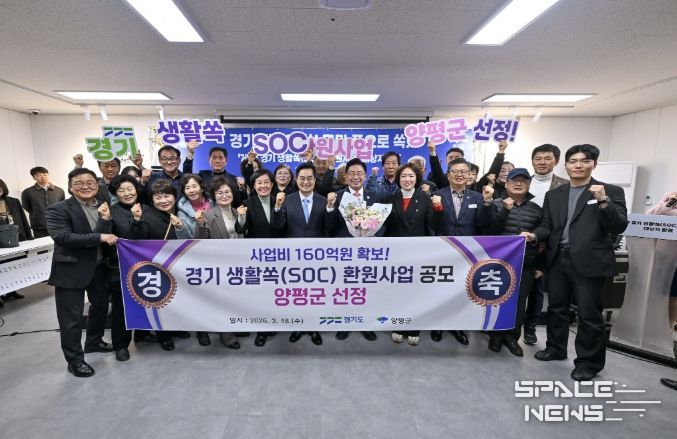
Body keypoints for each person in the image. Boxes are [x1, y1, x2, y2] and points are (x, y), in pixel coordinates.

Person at [528, 144, 628, 381]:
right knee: (557, 308)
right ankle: (555, 348)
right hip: (557, 259)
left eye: (585, 161)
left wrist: (603, 201)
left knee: (589, 314)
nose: (578, 165)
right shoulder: (555, 194)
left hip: (590, 261)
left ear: (594, 164)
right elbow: (547, 225)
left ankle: (588, 363)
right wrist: (534, 235)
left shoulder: (610, 191)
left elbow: (619, 225)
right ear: (566, 165)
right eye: (573, 161)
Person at [45, 168, 118, 377]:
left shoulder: (103, 206)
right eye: (78, 183)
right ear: (70, 187)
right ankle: (75, 360)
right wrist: (100, 237)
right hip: (71, 269)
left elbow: (105, 233)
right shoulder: (58, 209)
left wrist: (106, 221)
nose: (85, 186)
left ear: (97, 185)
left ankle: (94, 341)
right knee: (71, 318)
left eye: (90, 182)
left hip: (98, 268)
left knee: (101, 306)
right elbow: (63, 237)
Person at [430, 158, 494, 345]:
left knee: (461, 290)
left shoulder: (477, 197)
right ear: (448, 175)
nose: (459, 175)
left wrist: (488, 202)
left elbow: (483, 223)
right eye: (455, 171)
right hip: (442, 250)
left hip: (467, 252)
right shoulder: (438, 194)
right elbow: (431, 225)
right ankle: (437, 325)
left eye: (464, 171)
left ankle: (457, 326)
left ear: (469, 175)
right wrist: (437, 210)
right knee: (440, 290)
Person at [272, 162, 333, 346]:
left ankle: (313, 327)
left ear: (315, 180)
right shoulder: (287, 200)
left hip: (317, 257)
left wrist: (330, 209)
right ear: (296, 179)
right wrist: (277, 208)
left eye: (309, 178)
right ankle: (297, 326)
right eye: (302, 178)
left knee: (314, 294)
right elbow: (277, 226)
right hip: (293, 257)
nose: (306, 182)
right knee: (297, 294)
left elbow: (329, 228)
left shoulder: (323, 200)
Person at [485, 168, 543, 357]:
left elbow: (543, 239)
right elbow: (488, 231)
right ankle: (495, 336)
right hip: (498, 263)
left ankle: (512, 337)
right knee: (497, 300)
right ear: (506, 184)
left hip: (526, 263)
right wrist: (505, 210)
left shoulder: (536, 209)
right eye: (514, 180)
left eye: (523, 181)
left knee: (519, 302)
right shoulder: (495, 204)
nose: (518, 184)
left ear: (529, 184)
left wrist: (540, 266)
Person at [328, 158, 385, 342]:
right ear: (345, 176)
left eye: (359, 173)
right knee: (345, 290)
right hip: (343, 252)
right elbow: (330, 226)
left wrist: (373, 235)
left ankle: (366, 324)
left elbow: (384, 223)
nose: (355, 177)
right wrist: (330, 208)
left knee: (366, 289)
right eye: (351, 173)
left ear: (365, 175)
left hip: (367, 252)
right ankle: (345, 323)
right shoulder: (337, 196)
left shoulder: (374, 196)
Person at [523, 144, 569, 345]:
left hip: (549, 245)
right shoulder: (523, 182)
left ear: (556, 161)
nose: (542, 162)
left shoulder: (565, 186)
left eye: (547, 158)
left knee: (538, 289)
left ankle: (530, 328)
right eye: (538, 158)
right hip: (524, 241)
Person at [193, 176, 246, 350]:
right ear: (214, 196)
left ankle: (236, 326)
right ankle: (227, 336)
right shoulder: (208, 215)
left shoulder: (238, 212)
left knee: (236, 299)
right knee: (223, 300)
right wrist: (201, 224)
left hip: (239, 263)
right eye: (219, 193)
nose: (224, 195)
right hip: (219, 265)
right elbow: (198, 241)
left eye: (227, 192)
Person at [384, 163, 434, 346]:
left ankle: (414, 327)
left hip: (418, 252)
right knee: (398, 291)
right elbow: (385, 226)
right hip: (396, 253)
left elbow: (432, 226)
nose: (407, 179)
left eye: (411, 176)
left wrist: (438, 209)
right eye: (403, 176)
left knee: (416, 292)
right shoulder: (390, 198)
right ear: (398, 179)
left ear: (417, 178)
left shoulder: (426, 198)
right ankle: (398, 325)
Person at [141, 179, 193, 351]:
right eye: (158, 197)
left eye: (167, 196)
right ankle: (163, 336)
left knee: (177, 299)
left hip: (179, 263)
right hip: (157, 265)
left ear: (174, 197)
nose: (163, 200)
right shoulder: (147, 216)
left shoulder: (182, 212)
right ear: (152, 200)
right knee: (161, 300)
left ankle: (176, 328)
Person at [107, 174, 153, 361]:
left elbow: (149, 237)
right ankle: (120, 345)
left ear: (136, 189)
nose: (127, 193)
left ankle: (142, 334)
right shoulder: (111, 212)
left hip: (146, 266)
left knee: (145, 301)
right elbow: (107, 238)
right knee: (121, 308)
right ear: (115, 194)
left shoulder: (147, 208)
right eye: (121, 190)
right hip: (120, 267)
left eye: (130, 189)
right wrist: (136, 220)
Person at [240, 169, 284, 347]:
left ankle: (275, 323)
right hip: (257, 258)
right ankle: (262, 330)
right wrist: (241, 217)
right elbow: (241, 229)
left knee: (276, 293)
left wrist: (278, 207)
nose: (263, 186)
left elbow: (281, 226)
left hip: (279, 256)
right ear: (254, 186)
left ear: (272, 184)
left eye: (266, 182)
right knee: (261, 295)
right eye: (259, 183)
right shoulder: (247, 204)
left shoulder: (280, 201)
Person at [646, 192, 677, 391]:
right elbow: (649, 217)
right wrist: (667, 204)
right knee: (665, 295)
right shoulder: (669, 199)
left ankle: (670, 331)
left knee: (674, 297)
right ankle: (664, 332)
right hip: (666, 258)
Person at [0, 178, 33, 305]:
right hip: (1, 241)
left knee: (13, 265)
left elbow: (23, 219)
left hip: (16, 237)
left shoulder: (13, 201)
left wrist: (29, 236)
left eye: (0, 187)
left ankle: (11, 291)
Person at [182, 142, 247, 205]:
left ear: (226, 161)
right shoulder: (202, 175)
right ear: (209, 159)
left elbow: (239, 202)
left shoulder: (234, 179)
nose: (217, 161)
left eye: (220, 158)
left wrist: (242, 188)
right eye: (214, 158)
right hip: (206, 211)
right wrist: (190, 154)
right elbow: (186, 177)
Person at [21, 167, 66, 238]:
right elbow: (27, 207)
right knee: (42, 245)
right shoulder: (27, 192)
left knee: (60, 243)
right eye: (39, 175)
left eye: (45, 174)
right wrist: (38, 214)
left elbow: (63, 207)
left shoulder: (59, 190)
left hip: (58, 225)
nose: (43, 177)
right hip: (39, 227)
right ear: (34, 177)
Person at [177, 173, 213, 239]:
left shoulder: (213, 203)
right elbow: (185, 239)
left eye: (194, 186)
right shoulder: (182, 213)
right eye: (187, 188)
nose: (191, 190)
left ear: (201, 189)